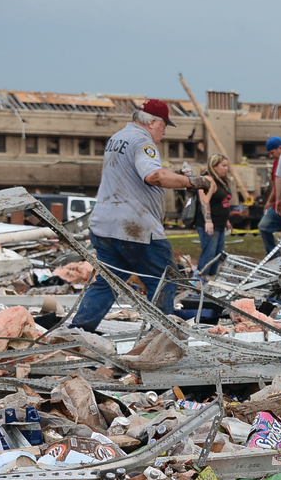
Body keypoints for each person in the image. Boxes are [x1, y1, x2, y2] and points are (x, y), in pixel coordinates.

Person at [69, 100, 210, 332]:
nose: (164, 132)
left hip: (104, 226)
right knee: (165, 278)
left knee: (108, 282)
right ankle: (162, 336)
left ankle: (77, 332)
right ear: (152, 122)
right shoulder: (142, 141)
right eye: (164, 125)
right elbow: (155, 176)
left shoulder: (117, 138)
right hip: (134, 228)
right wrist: (192, 182)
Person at [195, 154, 234, 279]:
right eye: (223, 166)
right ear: (214, 166)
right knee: (209, 253)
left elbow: (221, 202)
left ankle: (211, 277)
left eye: (227, 166)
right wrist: (208, 221)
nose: (226, 169)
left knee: (218, 253)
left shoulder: (221, 181)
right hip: (210, 224)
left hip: (220, 223)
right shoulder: (208, 181)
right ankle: (200, 279)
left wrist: (226, 220)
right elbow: (204, 202)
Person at [258, 136, 281, 254]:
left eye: (272, 153)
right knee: (263, 226)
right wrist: (270, 201)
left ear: (280, 148)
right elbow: (276, 184)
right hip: (278, 205)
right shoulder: (276, 162)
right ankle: (273, 256)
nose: (271, 156)